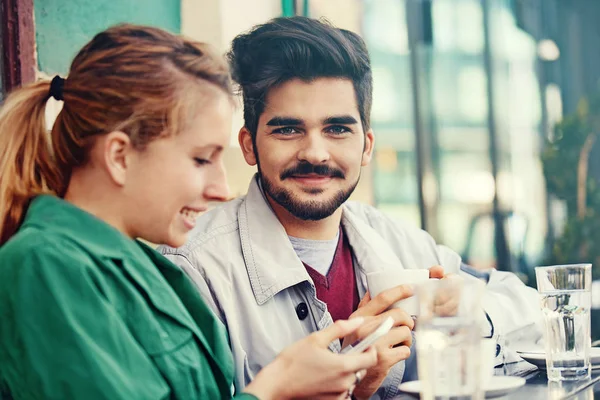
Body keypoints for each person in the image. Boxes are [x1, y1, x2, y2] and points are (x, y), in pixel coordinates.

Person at [158, 16, 544, 400]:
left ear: (367, 146)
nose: (315, 152)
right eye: (287, 129)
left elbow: (535, 309)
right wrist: (351, 381)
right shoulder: (193, 269)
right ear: (248, 145)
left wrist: (466, 312)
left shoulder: (395, 239)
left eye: (337, 129)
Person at [0, 24, 378, 400]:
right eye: (201, 159)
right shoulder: (44, 266)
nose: (220, 189)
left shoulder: (149, 269)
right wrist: (274, 389)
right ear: (119, 156)